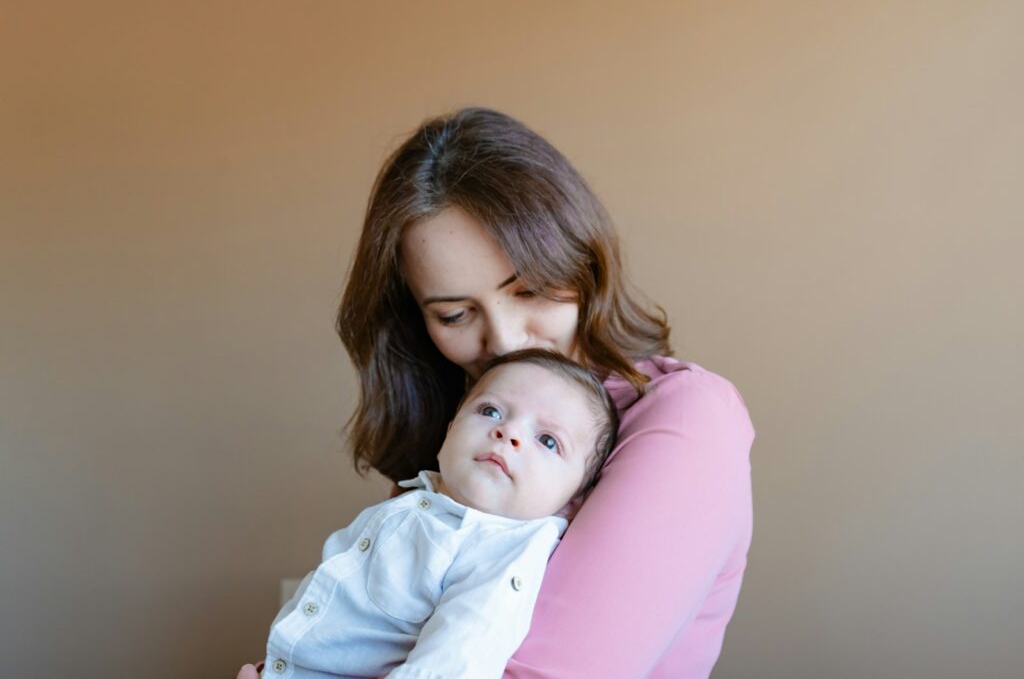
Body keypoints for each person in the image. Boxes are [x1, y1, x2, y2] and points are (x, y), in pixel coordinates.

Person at [238, 107, 754, 679]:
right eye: (455, 314)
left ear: (582, 261)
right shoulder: (468, 441)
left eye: (530, 290)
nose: (505, 341)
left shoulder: (687, 418)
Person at [259, 349, 619, 679]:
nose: (508, 432)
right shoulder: (420, 501)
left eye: (547, 440)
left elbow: (458, 653)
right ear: (450, 431)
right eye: (490, 411)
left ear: (573, 502)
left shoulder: (504, 551)